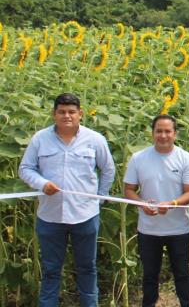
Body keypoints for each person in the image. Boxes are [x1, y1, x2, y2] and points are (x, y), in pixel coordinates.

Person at [19, 93, 116, 307]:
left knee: (87, 267)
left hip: (86, 216)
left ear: (80, 114)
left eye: (72, 112)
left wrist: (99, 199)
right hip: (50, 217)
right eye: (62, 112)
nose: (67, 116)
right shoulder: (40, 139)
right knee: (51, 269)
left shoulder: (94, 139)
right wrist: (42, 183)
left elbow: (108, 169)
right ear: (54, 114)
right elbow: (25, 169)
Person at [123, 115, 189, 307]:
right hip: (148, 229)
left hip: (178, 228)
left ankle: (186, 304)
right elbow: (129, 190)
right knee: (150, 274)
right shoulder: (138, 158)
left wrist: (172, 203)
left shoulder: (186, 159)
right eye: (159, 131)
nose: (163, 135)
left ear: (175, 134)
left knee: (181, 273)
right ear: (152, 133)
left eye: (167, 131)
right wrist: (141, 204)